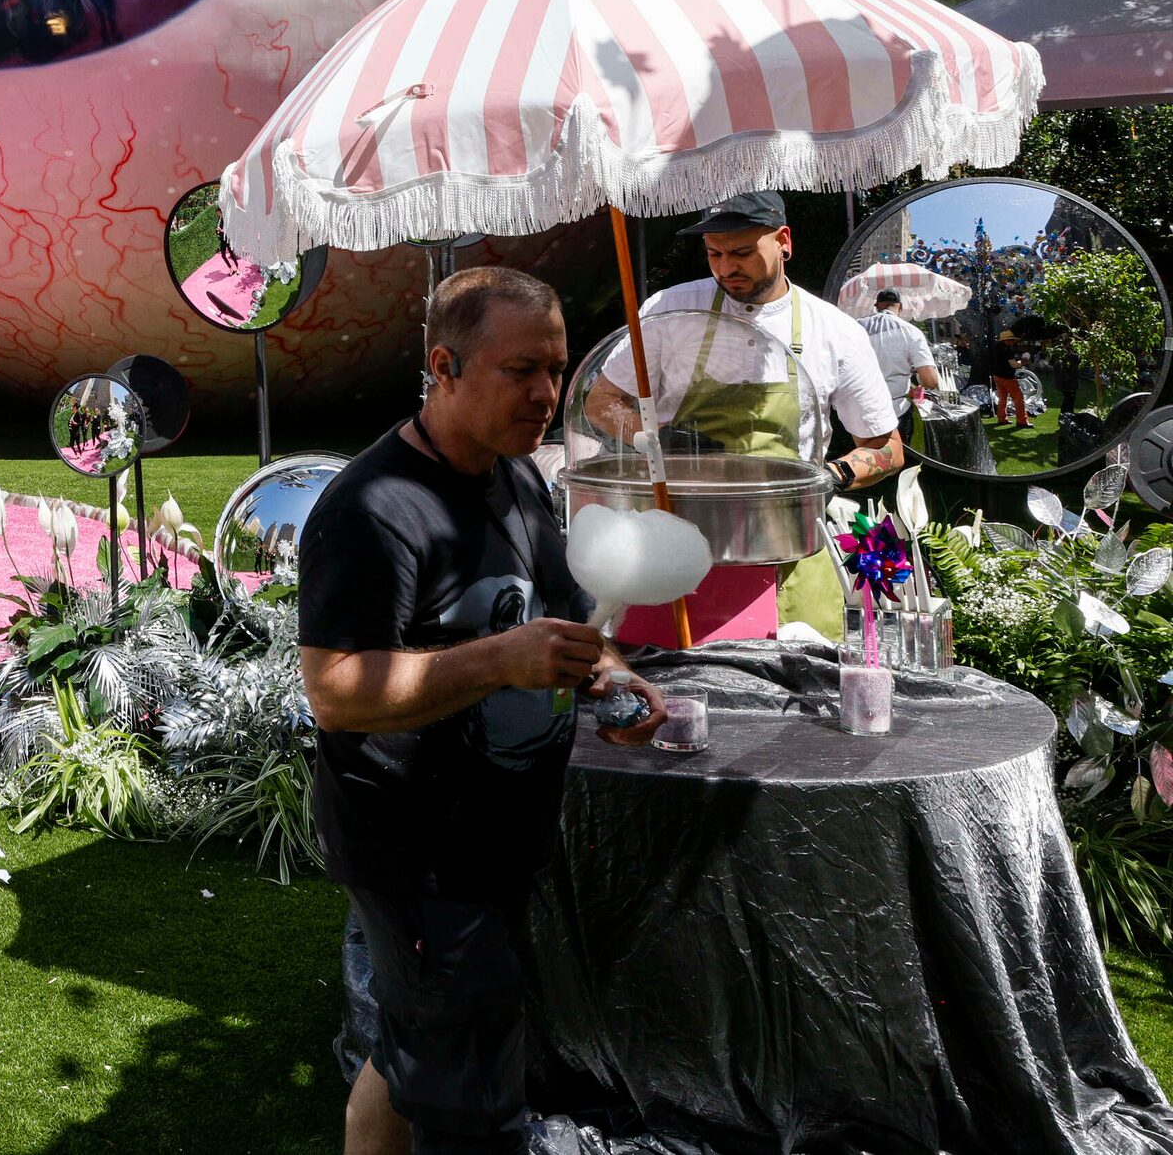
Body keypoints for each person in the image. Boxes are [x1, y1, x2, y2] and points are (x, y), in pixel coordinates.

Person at [297, 267, 665, 1155]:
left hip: (496, 836)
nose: (547, 394)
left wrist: (611, 671)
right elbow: (335, 691)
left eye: (557, 369)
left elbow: (560, 613)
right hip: (418, 855)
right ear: (444, 366)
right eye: (521, 371)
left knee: (416, 1042)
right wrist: (503, 659)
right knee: (470, 1103)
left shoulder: (516, 479)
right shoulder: (375, 510)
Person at [592, 191, 903, 639]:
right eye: (714, 254)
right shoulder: (668, 312)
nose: (725, 268)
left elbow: (885, 448)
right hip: (672, 547)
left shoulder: (835, 331)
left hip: (788, 550)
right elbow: (602, 401)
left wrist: (832, 477)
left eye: (741, 252)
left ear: (784, 241)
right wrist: (656, 436)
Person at [860, 290, 941, 409]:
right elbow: (930, 381)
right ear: (901, 307)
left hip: (859, 408)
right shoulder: (911, 331)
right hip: (895, 410)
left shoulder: (856, 326)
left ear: (876, 306)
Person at [986, 330, 1027, 425]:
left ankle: (1002, 418)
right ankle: (1022, 420)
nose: (1013, 342)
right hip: (1007, 377)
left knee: (1002, 398)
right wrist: (1022, 362)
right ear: (1007, 340)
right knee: (1018, 399)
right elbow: (1013, 365)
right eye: (1011, 340)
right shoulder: (1006, 350)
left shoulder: (995, 349)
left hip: (997, 376)